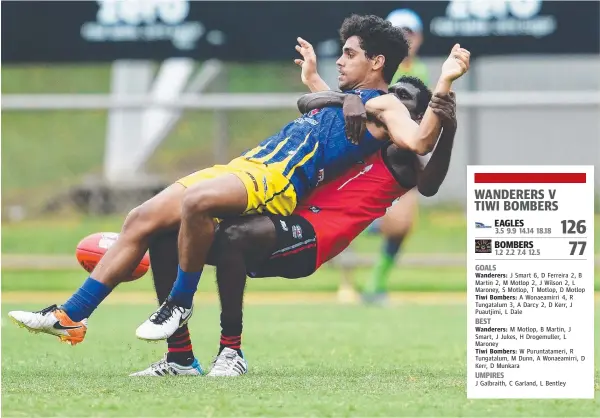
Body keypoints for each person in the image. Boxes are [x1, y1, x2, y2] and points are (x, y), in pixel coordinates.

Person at [8, 14, 469, 346]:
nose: (342, 59)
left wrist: (445, 85)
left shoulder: (386, 105)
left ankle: (180, 301)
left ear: (377, 61)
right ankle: (71, 315)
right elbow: (322, 110)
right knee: (143, 217)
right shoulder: (347, 98)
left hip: (279, 179)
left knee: (197, 206)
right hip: (247, 162)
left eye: (350, 53)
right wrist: (316, 82)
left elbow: (419, 141)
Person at [130, 82, 458, 377]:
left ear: (417, 119)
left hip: (315, 236)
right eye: (392, 92)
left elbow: (428, 186)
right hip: (283, 216)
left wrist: (449, 128)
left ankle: (231, 351)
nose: (392, 100)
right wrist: (348, 98)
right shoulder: (361, 129)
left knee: (235, 236)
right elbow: (312, 100)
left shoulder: (401, 155)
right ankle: (180, 358)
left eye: (404, 98)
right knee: (166, 237)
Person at [362, 8, 432, 305]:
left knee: (403, 227)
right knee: (394, 222)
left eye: (410, 33)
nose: (406, 39)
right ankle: (369, 222)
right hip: (373, 155)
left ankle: (374, 285)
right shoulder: (377, 68)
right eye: (399, 32)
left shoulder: (423, 73)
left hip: (404, 155)